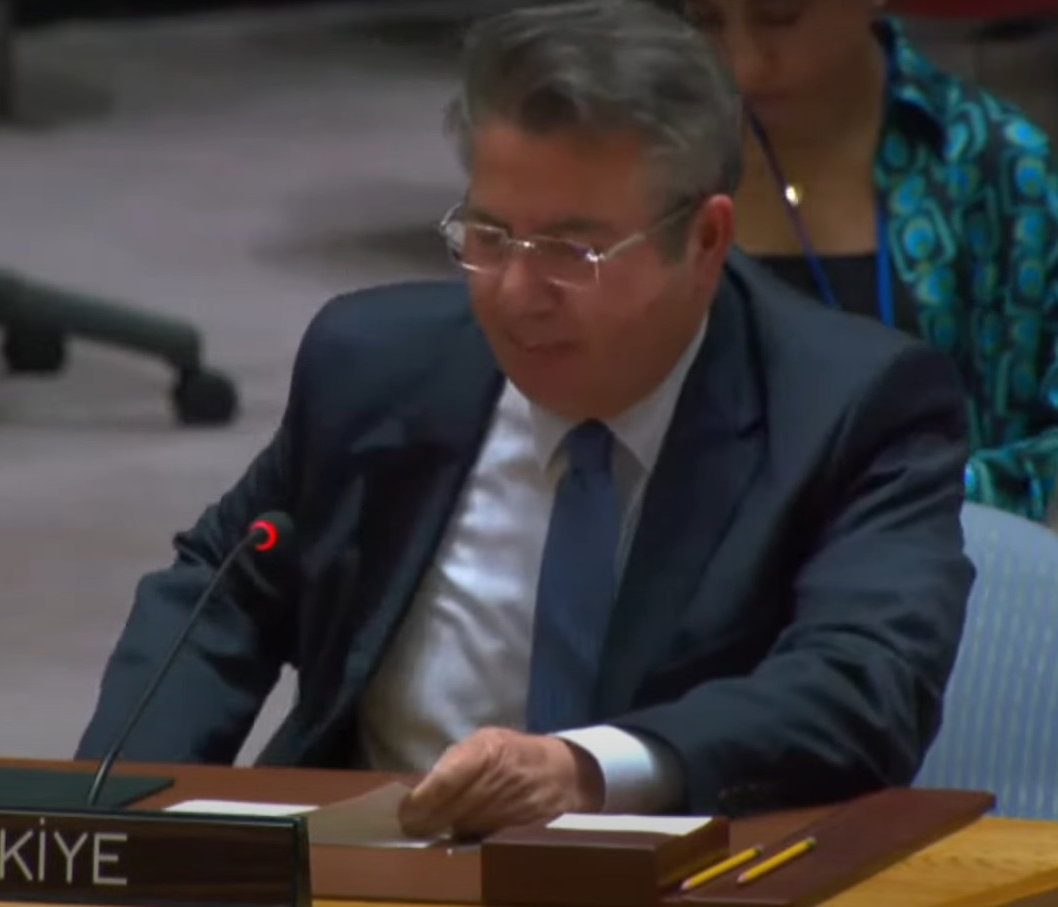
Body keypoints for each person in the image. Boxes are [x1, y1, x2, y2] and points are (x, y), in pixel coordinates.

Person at [77, 0, 975, 835]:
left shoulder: (852, 408)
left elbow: (859, 685)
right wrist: (107, 818)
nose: (514, 294)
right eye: (489, 236)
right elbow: (225, 588)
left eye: (571, 250)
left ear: (704, 240)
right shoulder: (373, 366)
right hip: (377, 862)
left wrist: (589, 769)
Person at [667, 0, 1058, 522]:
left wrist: (900, 500)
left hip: (942, 544)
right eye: (707, 20)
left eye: (780, 17)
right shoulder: (653, 160)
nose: (745, 66)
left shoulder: (994, 166)